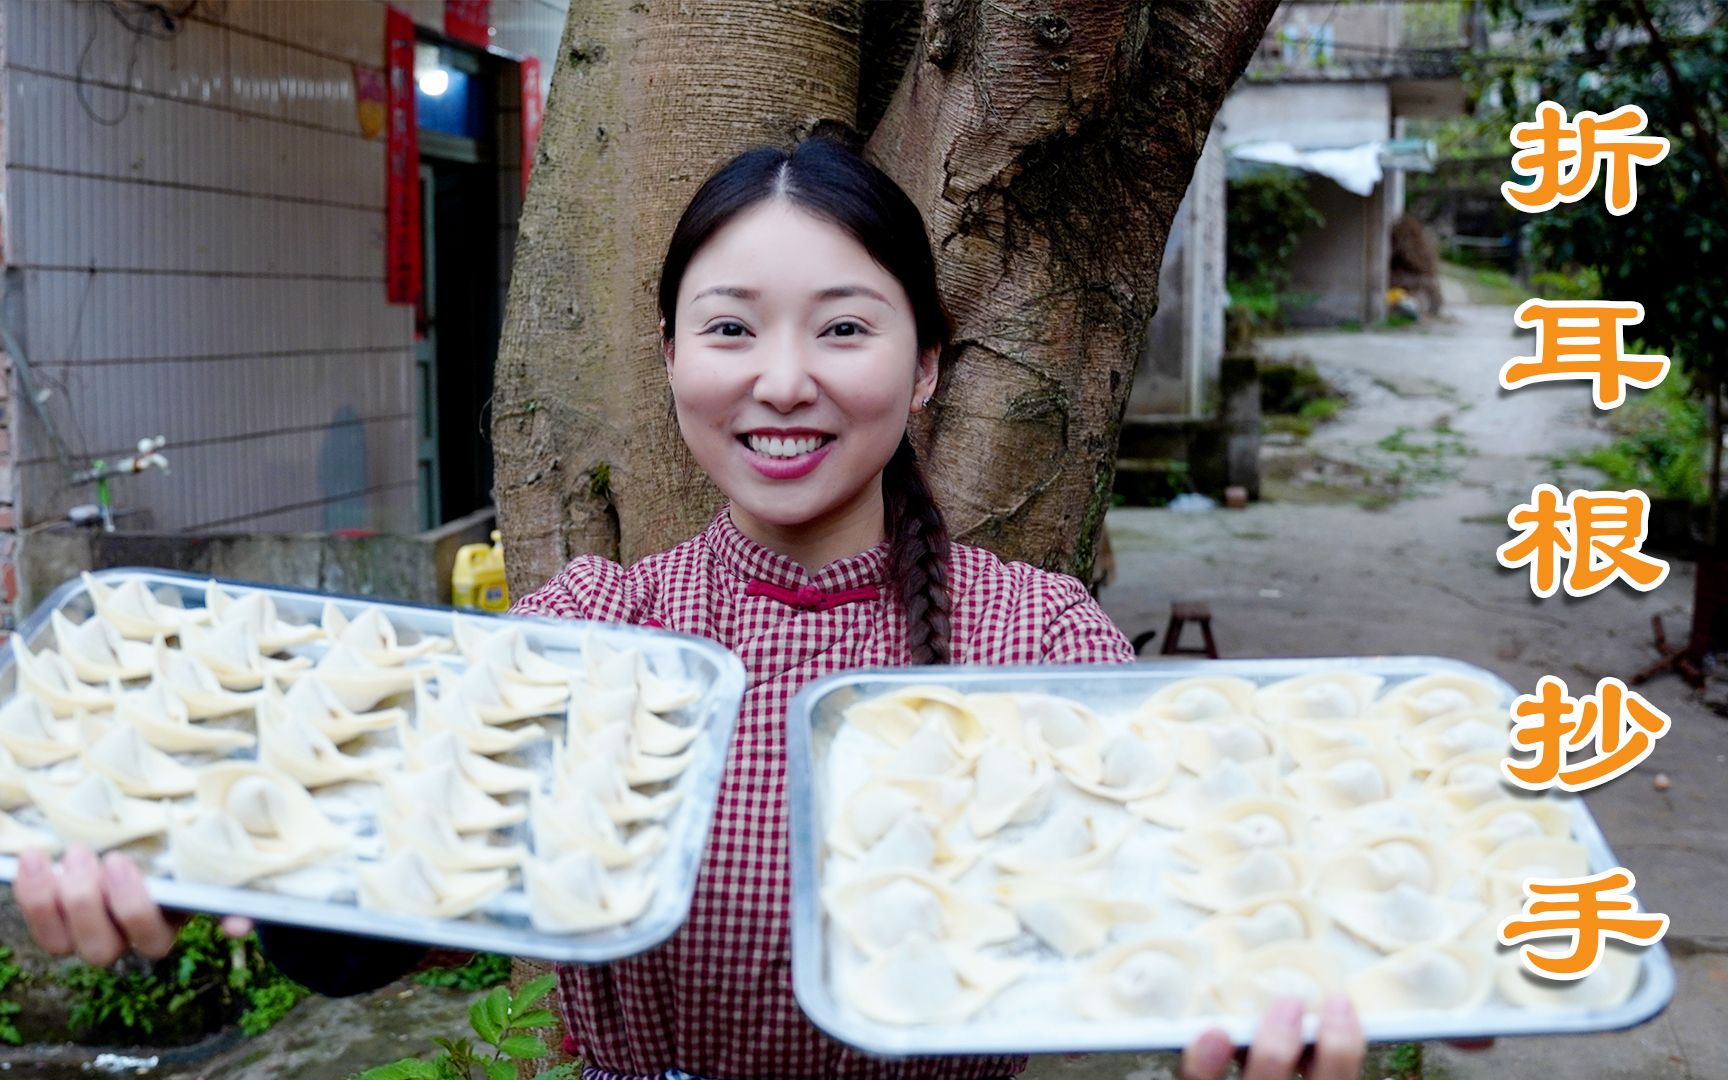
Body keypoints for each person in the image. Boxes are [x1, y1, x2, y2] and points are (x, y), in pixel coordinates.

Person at [14, 138, 1366, 1080]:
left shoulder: (1042, 643)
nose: (783, 380)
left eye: (844, 328)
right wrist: (183, 867)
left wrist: (1295, 1000)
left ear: (929, 365)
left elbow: (1187, 919)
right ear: (669, 360)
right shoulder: (590, 637)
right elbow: (380, 907)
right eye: (730, 329)